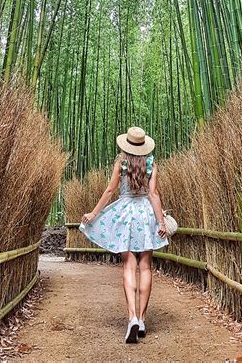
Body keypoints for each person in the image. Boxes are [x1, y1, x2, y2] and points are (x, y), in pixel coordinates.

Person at [79, 126, 169, 344]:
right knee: (146, 267)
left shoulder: (121, 163)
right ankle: (143, 320)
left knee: (129, 266)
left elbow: (110, 190)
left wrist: (93, 213)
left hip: (125, 214)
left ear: (127, 145)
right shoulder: (151, 164)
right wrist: (160, 221)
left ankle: (132, 318)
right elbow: (153, 194)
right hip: (145, 214)